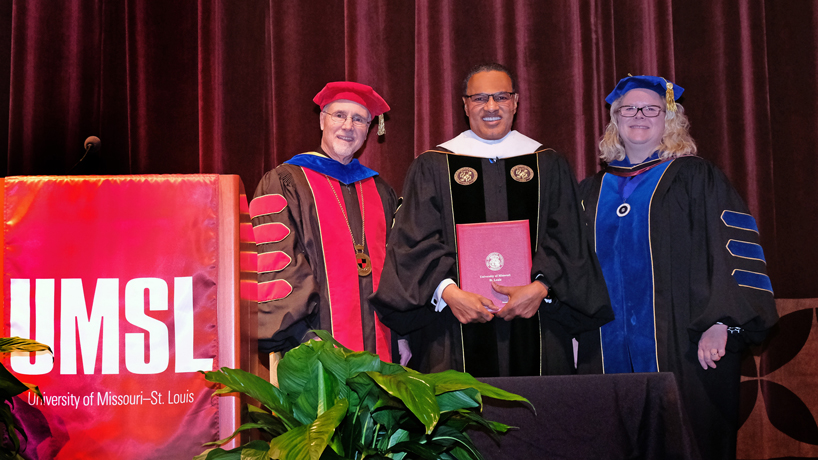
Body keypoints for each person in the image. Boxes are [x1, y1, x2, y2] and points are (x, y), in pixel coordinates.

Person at [577, 75, 778, 459]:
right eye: (628, 109)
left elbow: (732, 250)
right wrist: (571, 330)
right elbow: (574, 268)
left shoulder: (696, 177)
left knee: (686, 441)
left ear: (669, 119)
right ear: (614, 121)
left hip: (686, 343)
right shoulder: (590, 191)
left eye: (651, 109)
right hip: (604, 347)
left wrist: (723, 323)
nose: (639, 116)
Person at [370, 63, 613, 377]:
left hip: (537, 322)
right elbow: (414, 241)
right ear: (465, 104)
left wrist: (541, 288)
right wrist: (448, 292)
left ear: (515, 101)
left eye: (500, 97)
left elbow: (569, 238)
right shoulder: (434, 165)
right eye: (480, 98)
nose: (491, 107)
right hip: (453, 327)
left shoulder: (548, 163)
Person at [249, 81, 401, 364]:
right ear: (322, 120)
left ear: (368, 129)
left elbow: (398, 268)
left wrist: (401, 335)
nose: (348, 126)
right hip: (312, 345)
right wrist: (302, 337)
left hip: (381, 348)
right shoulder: (285, 182)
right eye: (339, 115)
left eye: (359, 119)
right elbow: (276, 264)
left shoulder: (381, 191)